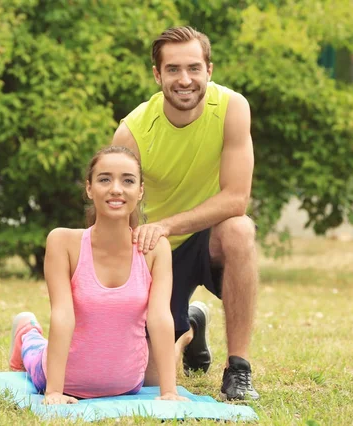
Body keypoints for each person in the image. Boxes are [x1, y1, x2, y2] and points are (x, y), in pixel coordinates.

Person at [111, 26, 259, 401]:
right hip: (157, 255)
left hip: (208, 238)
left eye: (194, 68)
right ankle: (190, 326)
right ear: (157, 75)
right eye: (173, 69)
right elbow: (119, 214)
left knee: (240, 229)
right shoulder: (133, 132)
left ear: (209, 69)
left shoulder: (231, 109)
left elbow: (237, 198)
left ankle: (238, 368)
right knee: (148, 381)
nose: (185, 79)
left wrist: (166, 225)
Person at [8, 146, 188, 405]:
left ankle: (190, 331)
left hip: (128, 384)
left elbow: (159, 318)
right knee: (36, 351)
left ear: (140, 191)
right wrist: (54, 392)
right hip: (62, 378)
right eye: (105, 179)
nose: (116, 188)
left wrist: (170, 392)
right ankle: (26, 332)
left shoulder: (155, 248)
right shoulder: (63, 243)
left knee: (163, 357)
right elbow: (62, 314)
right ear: (89, 188)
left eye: (127, 180)